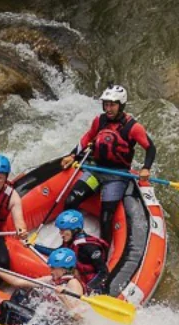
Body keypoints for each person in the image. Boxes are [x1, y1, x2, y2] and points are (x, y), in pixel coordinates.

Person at [59, 84, 156, 245]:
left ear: (121, 105)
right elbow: (87, 138)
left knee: (106, 217)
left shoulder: (134, 128)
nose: (108, 108)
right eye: (106, 104)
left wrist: (146, 168)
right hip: (96, 171)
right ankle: (74, 238)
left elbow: (150, 148)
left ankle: (102, 251)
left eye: (112, 105)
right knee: (71, 200)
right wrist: (72, 155)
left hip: (117, 176)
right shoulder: (100, 120)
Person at [0, 248, 86, 325]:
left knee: (6, 305)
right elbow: (18, 282)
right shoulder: (51, 280)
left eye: (53, 268)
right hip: (45, 320)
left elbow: (78, 317)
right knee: (20, 293)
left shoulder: (73, 284)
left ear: (63, 269)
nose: (51, 271)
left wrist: (63, 297)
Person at [33, 209, 109, 294]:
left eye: (63, 230)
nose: (60, 234)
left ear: (74, 229)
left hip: (92, 286)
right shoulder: (70, 241)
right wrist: (34, 246)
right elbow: (57, 254)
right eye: (60, 230)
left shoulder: (90, 248)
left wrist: (88, 289)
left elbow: (103, 272)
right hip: (78, 282)